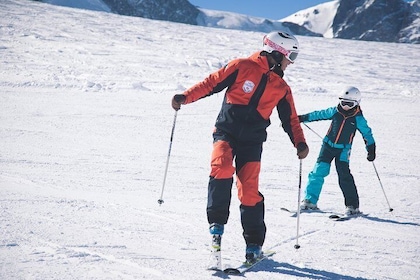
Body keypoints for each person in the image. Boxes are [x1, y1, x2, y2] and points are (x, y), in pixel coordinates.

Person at [171, 31, 309, 262]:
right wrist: (184, 97)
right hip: (227, 132)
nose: (290, 63)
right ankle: (216, 225)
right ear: (278, 52)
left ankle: (254, 245)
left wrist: (300, 142)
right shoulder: (242, 66)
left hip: (252, 142)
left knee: (249, 191)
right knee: (222, 167)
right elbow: (211, 84)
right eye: (290, 56)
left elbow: (291, 120)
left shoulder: (282, 88)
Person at [299, 86, 376, 215]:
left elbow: (367, 134)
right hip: (327, 147)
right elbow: (318, 114)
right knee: (317, 172)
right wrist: (302, 118)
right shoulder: (335, 111)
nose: (345, 106)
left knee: (344, 176)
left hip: (343, 150)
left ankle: (352, 206)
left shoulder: (358, 119)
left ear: (356, 103)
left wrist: (371, 149)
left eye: (349, 104)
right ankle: (310, 201)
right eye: (343, 102)